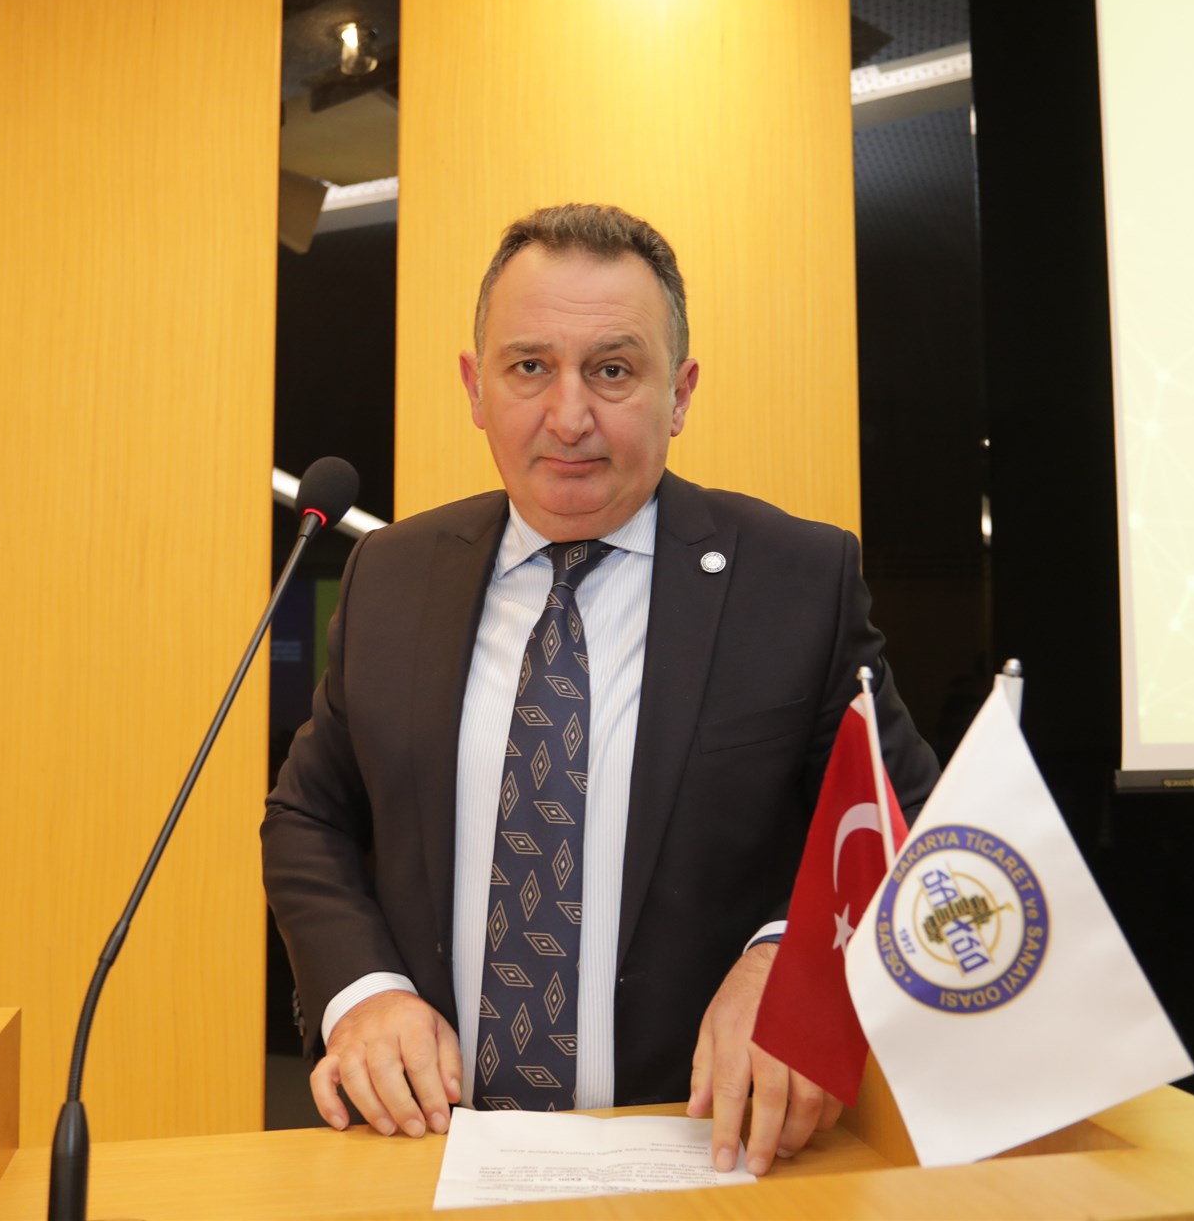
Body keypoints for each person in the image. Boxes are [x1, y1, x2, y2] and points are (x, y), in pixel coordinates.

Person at [262, 204, 938, 1176]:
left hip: (705, 1154)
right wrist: (363, 993)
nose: (569, 415)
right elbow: (308, 815)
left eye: (613, 370)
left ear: (680, 392)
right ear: (476, 387)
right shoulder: (393, 576)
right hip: (434, 1151)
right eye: (529, 367)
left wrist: (790, 959)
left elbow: (899, 820)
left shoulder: (797, 581)